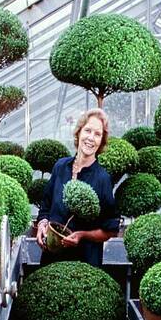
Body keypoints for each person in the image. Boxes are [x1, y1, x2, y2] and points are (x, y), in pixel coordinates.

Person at [36, 108, 120, 267]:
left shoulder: (102, 179)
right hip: (52, 259)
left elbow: (110, 229)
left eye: (97, 134)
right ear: (79, 132)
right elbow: (45, 207)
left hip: (84, 263)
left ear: (101, 141)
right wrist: (42, 225)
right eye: (88, 130)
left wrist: (82, 235)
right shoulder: (60, 167)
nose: (91, 138)